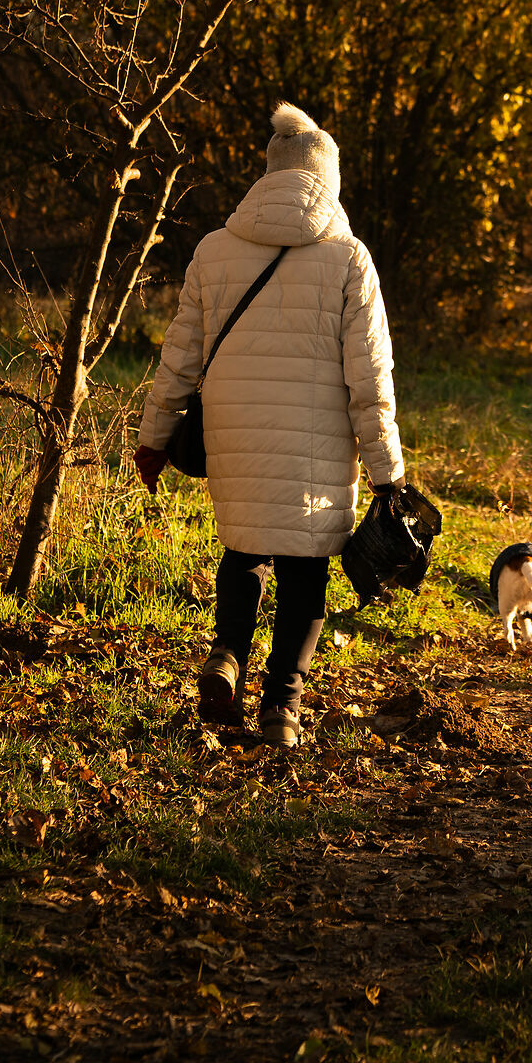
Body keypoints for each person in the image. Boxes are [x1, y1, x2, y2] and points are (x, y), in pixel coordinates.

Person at [133, 102, 404, 748]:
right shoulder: (349, 259)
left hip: (235, 433)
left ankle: (227, 655)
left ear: (270, 173)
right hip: (318, 447)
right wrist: (388, 469)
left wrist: (153, 436)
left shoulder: (214, 249)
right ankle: (282, 707)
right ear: (327, 180)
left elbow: (182, 352)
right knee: (305, 575)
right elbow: (371, 377)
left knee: (244, 550)